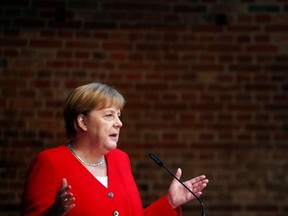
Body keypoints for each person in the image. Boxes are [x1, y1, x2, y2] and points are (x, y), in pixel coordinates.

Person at [21, 82, 209, 216]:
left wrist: (170, 202)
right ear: (83, 121)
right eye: (109, 115)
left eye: (119, 115)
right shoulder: (50, 162)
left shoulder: (120, 159)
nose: (119, 123)